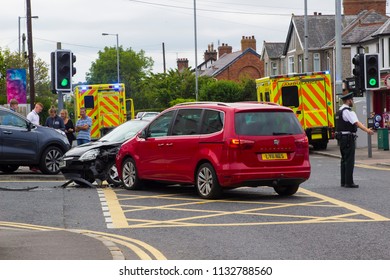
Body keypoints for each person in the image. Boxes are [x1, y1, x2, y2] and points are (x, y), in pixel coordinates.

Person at [335, 91, 374, 188]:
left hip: (341, 138)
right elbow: (357, 123)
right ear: (348, 101)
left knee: (344, 160)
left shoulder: (339, 111)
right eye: (351, 100)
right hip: (348, 139)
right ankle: (349, 182)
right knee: (349, 160)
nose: (352, 101)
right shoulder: (348, 111)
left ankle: (343, 181)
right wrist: (367, 130)